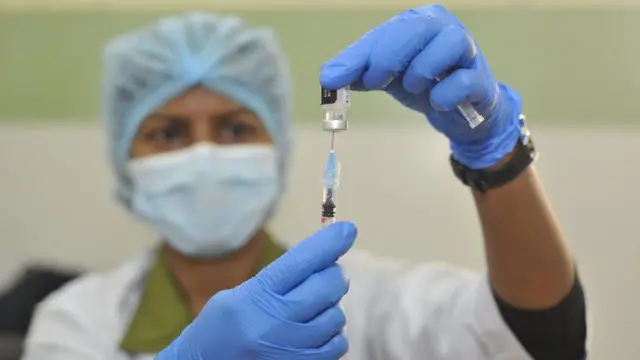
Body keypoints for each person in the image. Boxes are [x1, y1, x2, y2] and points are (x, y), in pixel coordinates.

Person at [22, 4, 587, 360]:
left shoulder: (368, 302)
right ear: (126, 158)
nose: (204, 154)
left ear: (277, 149)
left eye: (236, 127)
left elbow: (537, 340)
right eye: (167, 134)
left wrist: (497, 153)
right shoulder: (79, 322)